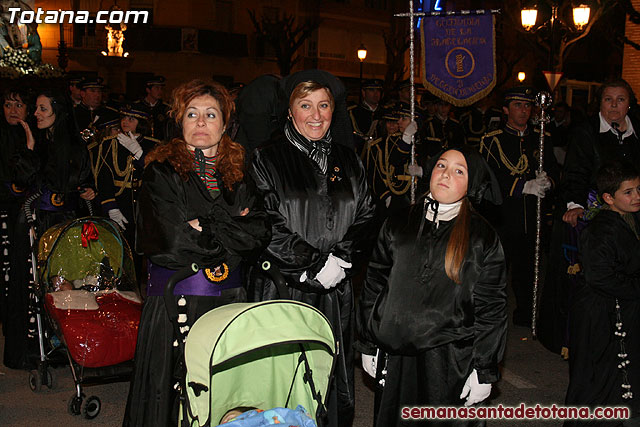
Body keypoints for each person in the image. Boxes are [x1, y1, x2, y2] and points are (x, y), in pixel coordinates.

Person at [123, 79, 271, 427]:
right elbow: (170, 243)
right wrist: (231, 226)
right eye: (192, 114)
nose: (201, 122)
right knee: (171, 396)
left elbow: (259, 233)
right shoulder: (160, 172)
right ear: (180, 123)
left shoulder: (239, 175)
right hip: (177, 301)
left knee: (224, 394)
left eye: (210, 114)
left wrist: (204, 225)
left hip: (230, 302)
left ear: (225, 125)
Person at [250, 69, 375, 427]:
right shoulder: (267, 158)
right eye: (306, 105)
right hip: (283, 288)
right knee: (282, 386)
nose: (316, 115)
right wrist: (309, 263)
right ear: (290, 111)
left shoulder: (348, 159)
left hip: (336, 291)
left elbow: (367, 213)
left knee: (331, 381)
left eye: (324, 106)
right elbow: (264, 220)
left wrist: (342, 257)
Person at [357, 147, 507, 427]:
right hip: (398, 355)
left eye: (458, 171)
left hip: (450, 361)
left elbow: (492, 308)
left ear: (471, 182)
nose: (446, 174)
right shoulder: (398, 223)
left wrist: (484, 369)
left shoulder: (481, 237)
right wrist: (367, 341)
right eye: (441, 166)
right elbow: (375, 282)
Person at [5, 89, 95, 369]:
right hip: (34, 224)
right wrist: (30, 149)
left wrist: (88, 190)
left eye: (43, 109)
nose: (36, 114)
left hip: (64, 224)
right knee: (32, 283)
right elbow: (21, 181)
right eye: (37, 109)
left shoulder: (75, 145)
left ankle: (63, 345)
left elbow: (78, 181)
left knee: (64, 283)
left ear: (58, 111)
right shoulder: (35, 143)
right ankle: (34, 349)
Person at [564, 162, 640, 426]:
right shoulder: (600, 230)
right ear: (609, 198)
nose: (637, 196)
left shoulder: (628, 219)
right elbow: (599, 276)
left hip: (616, 305)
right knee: (596, 378)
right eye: (628, 192)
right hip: (599, 312)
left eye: (638, 189)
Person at [479, 86, 559, 327]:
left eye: (527, 106)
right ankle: (490, 314)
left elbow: (555, 170)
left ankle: (526, 313)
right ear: (505, 110)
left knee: (528, 270)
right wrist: (522, 186)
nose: (524, 111)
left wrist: (548, 182)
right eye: (517, 105)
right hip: (504, 217)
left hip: (531, 217)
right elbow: (488, 178)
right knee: (496, 270)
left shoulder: (541, 137)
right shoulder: (492, 141)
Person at [562, 79, 640, 228]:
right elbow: (575, 172)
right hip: (598, 208)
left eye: (621, 99)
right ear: (600, 103)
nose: (614, 104)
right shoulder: (585, 131)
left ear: (629, 103)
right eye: (608, 99)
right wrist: (576, 204)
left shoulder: (637, 130)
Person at [94, 105, 160, 279]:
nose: (125, 122)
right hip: (120, 203)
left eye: (131, 119)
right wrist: (111, 206)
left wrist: (140, 154)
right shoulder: (109, 144)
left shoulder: (154, 146)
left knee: (140, 254)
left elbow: (158, 176)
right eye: (123, 118)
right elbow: (103, 177)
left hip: (143, 207)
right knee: (116, 253)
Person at [0, 87, 30, 338]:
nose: (12, 110)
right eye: (8, 105)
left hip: (23, 211)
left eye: (18, 105)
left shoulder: (32, 136)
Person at [348, 78, 384, 156]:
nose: (376, 94)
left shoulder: (385, 112)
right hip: (361, 155)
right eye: (371, 90)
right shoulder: (354, 112)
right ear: (363, 93)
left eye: (378, 91)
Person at [134, 74, 171, 141]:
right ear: (148, 90)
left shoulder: (166, 108)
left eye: (161, 89)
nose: (160, 91)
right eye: (157, 88)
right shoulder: (138, 106)